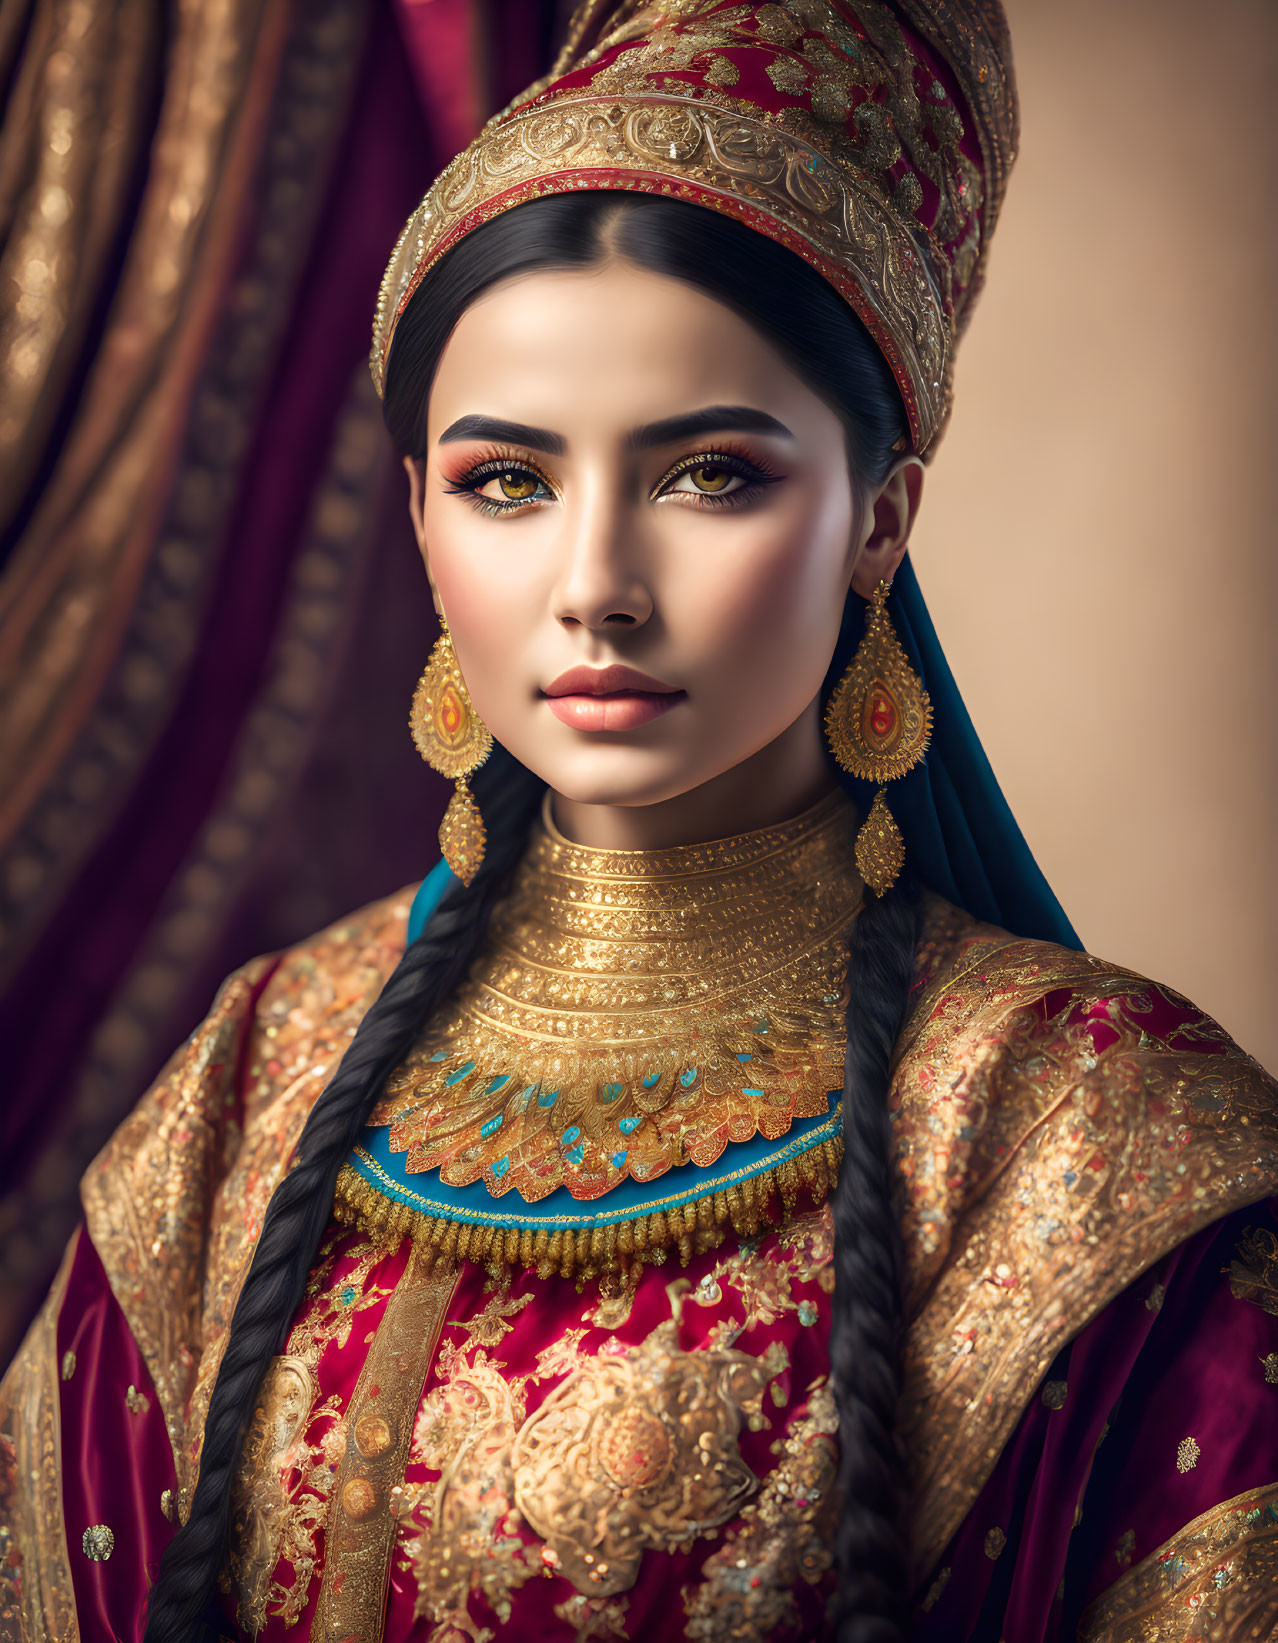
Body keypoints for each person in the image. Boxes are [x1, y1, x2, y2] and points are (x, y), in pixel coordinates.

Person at [3, 3, 1277, 1640]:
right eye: (508, 484)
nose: (595, 588)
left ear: (879, 518)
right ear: (414, 511)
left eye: (708, 476)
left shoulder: (1082, 1145)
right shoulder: (255, 1085)